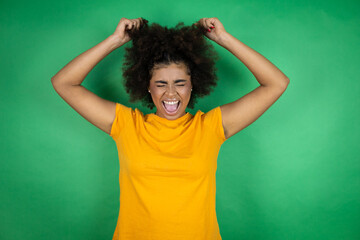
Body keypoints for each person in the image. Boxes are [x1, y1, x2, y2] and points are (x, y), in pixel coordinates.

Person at [51, 17, 289, 240]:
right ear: (148, 87)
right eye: (161, 84)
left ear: (192, 85)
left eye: (180, 83)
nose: (171, 93)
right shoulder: (126, 124)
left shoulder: (211, 126)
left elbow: (276, 83)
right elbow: (64, 83)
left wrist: (223, 38)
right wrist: (116, 40)